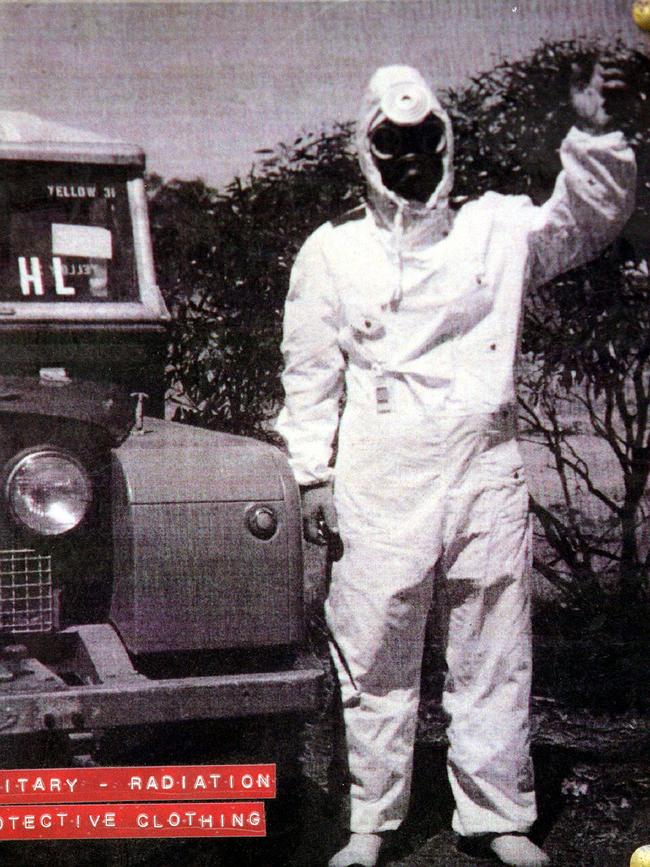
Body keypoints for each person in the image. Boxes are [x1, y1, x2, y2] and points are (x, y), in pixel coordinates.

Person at [276, 62, 636, 867]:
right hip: (380, 475)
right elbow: (310, 375)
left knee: (494, 647)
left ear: (448, 143)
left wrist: (597, 134)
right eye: (391, 145)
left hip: (485, 469)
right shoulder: (331, 253)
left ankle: (497, 813)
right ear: (366, 152)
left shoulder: (497, 229)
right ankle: (370, 820)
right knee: (373, 652)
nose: (411, 159)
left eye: (424, 141)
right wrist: (312, 476)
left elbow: (589, 220)